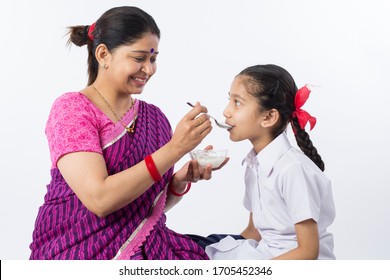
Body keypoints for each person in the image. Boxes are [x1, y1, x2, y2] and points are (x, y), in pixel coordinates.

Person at [29, 6, 227, 260]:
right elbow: (100, 200)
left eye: (153, 59)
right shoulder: (72, 110)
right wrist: (175, 149)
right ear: (103, 54)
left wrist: (178, 182)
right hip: (75, 250)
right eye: (139, 58)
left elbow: (142, 210)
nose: (149, 69)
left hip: (150, 245)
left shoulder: (154, 118)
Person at [190, 64, 336, 260]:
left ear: (268, 117)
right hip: (263, 254)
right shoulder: (255, 164)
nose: (226, 111)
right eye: (229, 100)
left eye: (237, 102)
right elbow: (254, 231)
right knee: (183, 246)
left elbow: (308, 252)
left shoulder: (293, 169)